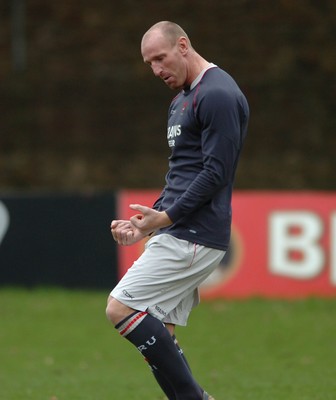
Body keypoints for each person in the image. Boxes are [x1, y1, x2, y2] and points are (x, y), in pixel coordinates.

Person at [106, 21, 249, 400]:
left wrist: (166, 219)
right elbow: (181, 174)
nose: (156, 70)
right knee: (161, 336)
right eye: (149, 63)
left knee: (121, 308)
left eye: (161, 58)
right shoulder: (180, 100)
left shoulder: (218, 94)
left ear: (183, 45)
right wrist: (146, 223)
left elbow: (216, 172)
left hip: (195, 233)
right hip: (178, 229)